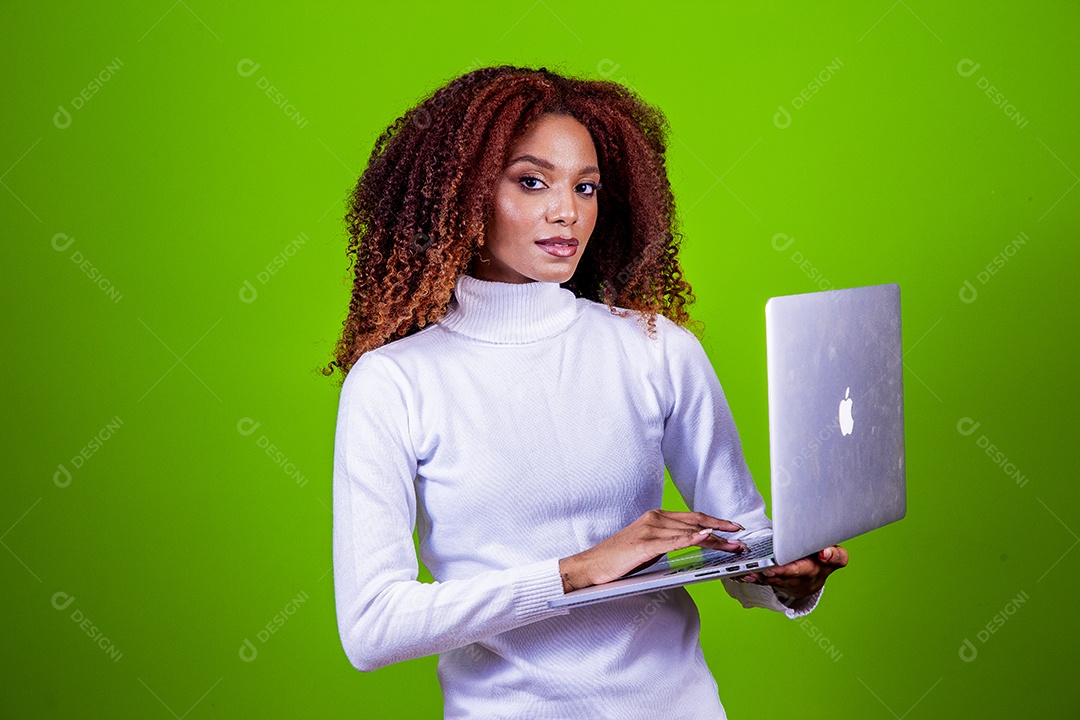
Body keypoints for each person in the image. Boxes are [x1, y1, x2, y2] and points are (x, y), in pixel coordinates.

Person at [325, 64, 848, 718]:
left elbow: (740, 542)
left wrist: (787, 581)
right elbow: (374, 626)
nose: (566, 211)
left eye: (587, 186)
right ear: (463, 197)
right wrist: (575, 571)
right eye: (532, 181)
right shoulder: (396, 383)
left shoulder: (659, 349)